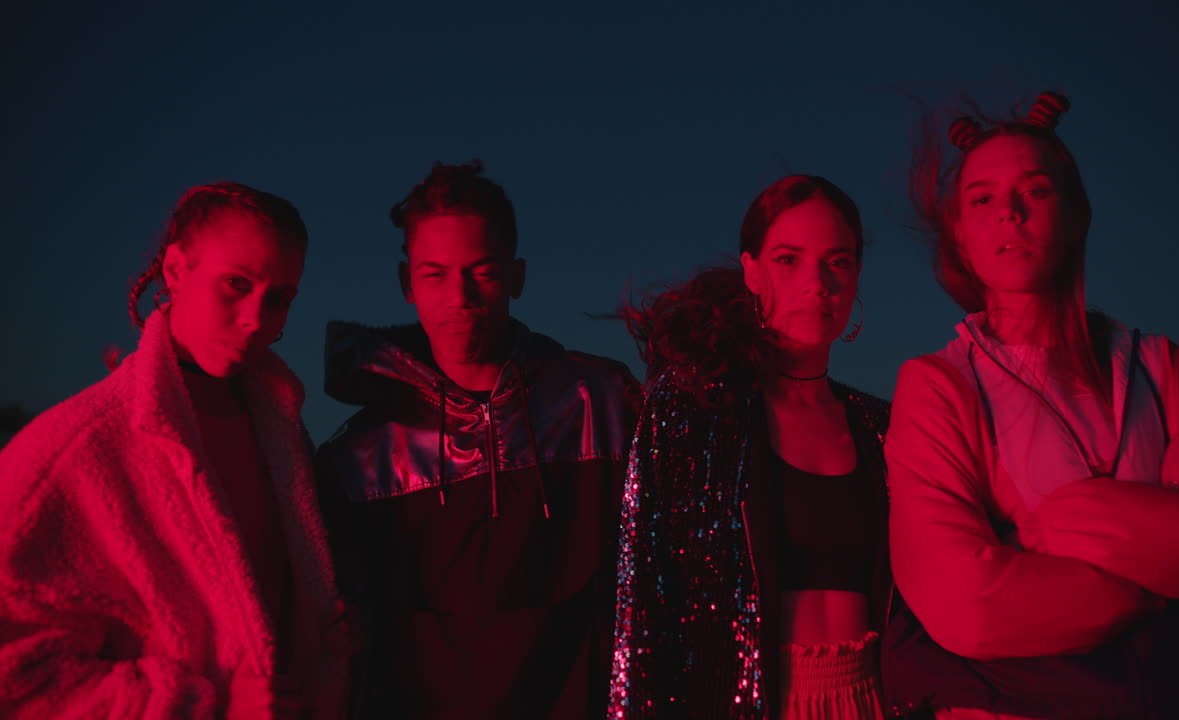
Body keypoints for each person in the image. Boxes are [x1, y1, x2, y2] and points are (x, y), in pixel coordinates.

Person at [884, 92, 1179, 718]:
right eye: (982, 199)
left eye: (1034, 191)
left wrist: (1056, 531)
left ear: (1075, 211)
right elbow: (969, 605)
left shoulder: (1159, 366)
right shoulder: (939, 387)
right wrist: (1157, 582)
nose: (1008, 213)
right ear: (959, 234)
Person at [0, 182, 351, 719]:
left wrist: (326, 633)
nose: (257, 318)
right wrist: (199, 706)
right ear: (177, 271)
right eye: (236, 284)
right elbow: (14, 673)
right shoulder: (73, 451)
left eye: (279, 298)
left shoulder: (282, 432)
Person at [316, 161, 640, 719]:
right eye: (435, 274)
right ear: (406, 284)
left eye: (482, 272)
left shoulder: (604, 403)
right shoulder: (356, 459)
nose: (460, 296)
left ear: (516, 276)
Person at [610, 174, 891, 719]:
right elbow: (643, 606)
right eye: (789, 259)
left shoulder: (881, 425)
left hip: (872, 699)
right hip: (752, 704)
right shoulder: (692, 410)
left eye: (838, 261)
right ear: (753, 272)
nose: (818, 283)